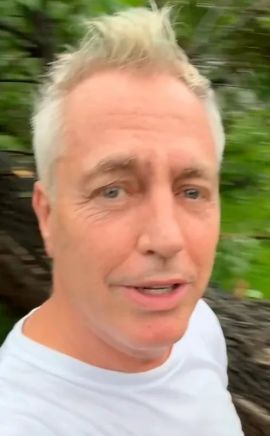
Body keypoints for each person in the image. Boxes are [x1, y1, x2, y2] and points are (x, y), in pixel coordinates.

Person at [0, 6, 244, 435]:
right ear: (48, 215)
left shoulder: (198, 327)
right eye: (113, 191)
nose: (166, 239)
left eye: (191, 191)